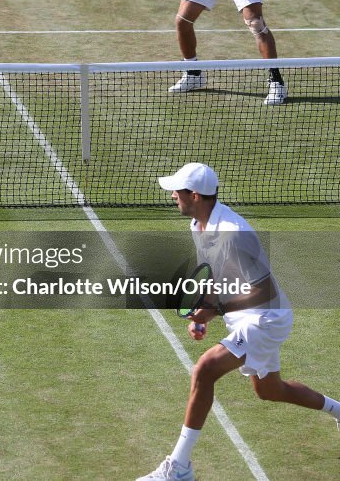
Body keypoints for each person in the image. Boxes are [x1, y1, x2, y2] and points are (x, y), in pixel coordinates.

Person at [138, 163, 340, 481]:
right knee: (270, 390)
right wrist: (204, 310)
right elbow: (215, 274)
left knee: (204, 371)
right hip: (246, 317)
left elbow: (264, 291)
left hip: (265, 319)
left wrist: (214, 309)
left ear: (195, 195)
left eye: (178, 190)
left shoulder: (233, 233)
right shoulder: (198, 225)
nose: (173, 195)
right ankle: (338, 410)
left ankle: (178, 468)